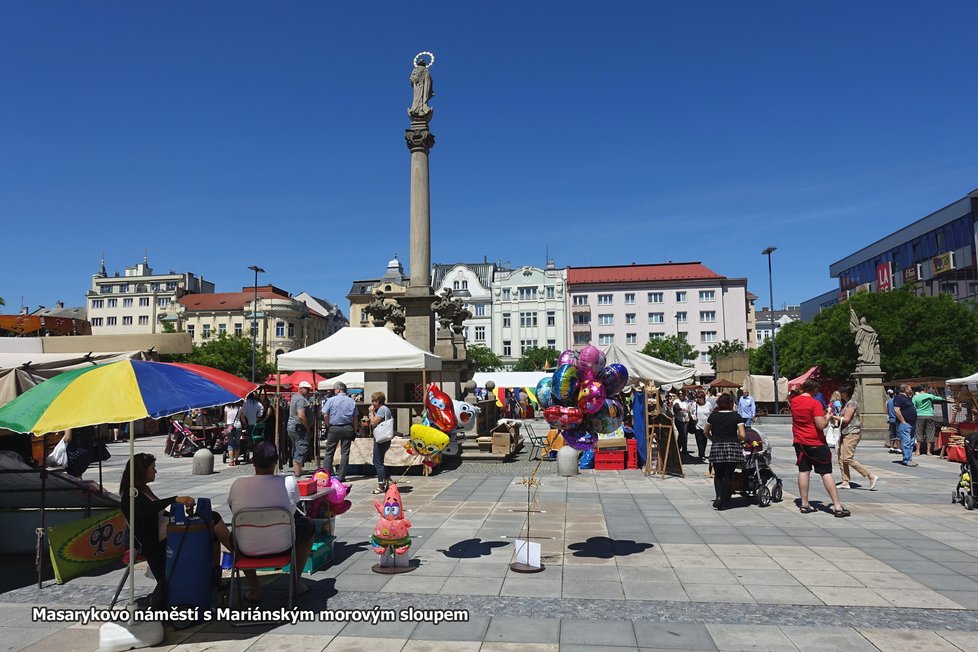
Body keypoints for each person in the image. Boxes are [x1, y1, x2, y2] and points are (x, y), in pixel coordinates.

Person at [119, 453, 232, 607]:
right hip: (161, 542)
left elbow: (158, 512)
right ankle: (234, 553)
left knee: (212, 526)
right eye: (152, 468)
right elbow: (148, 509)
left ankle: (214, 573)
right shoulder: (132, 495)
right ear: (141, 471)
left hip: (170, 533)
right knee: (213, 520)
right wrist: (175, 499)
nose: (155, 471)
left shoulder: (142, 490)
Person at [227, 442, 313, 603]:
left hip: (247, 550)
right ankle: (295, 583)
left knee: (234, 535)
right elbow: (294, 510)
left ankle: (254, 588)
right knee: (308, 525)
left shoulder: (238, 485)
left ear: (253, 462)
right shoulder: (288, 482)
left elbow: (233, 510)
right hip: (284, 547)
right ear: (276, 460)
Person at [791, 379, 850, 516]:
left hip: (799, 441)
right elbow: (821, 425)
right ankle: (837, 506)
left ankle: (804, 504)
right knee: (826, 472)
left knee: (804, 471)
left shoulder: (794, 401)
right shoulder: (814, 403)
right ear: (815, 390)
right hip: (815, 442)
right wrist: (828, 417)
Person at [703, 393, 746, 510]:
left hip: (717, 446)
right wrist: (737, 441)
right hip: (732, 447)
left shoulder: (713, 416)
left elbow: (705, 432)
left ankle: (718, 496)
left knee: (718, 475)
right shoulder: (736, 416)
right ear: (731, 404)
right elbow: (742, 435)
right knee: (728, 475)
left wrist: (713, 439)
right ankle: (725, 501)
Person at [835, 386, 878, 490]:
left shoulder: (852, 403)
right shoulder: (845, 404)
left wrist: (832, 416)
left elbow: (846, 419)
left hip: (852, 433)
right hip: (845, 433)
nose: (840, 394)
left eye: (841, 392)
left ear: (846, 393)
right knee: (841, 458)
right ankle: (845, 481)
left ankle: (870, 475)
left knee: (847, 458)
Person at [322, 381, 358, 482]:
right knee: (345, 452)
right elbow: (355, 418)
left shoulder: (331, 400)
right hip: (348, 427)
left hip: (334, 427)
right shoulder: (352, 401)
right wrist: (354, 430)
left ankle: (326, 476)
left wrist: (328, 425)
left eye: (334, 390)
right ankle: (341, 476)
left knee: (329, 452)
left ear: (338, 389)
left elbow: (325, 415)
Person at [368, 392, 395, 495]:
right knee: (379, 461)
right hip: (384, 439)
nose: (372, 403)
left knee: (377, 462)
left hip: (381, 439)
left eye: (373, 401)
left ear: (377, 401)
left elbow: (373, 422)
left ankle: (381, 485)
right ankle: (389, 480)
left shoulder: (382, 409)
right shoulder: (385, 409)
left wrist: (371, 413)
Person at [287, 381, 314, 477]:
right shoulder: (301, 400)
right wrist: (307, 428)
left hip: (294, 426)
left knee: (297, 447)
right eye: (307, 389)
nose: (309, 391)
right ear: (301, 389)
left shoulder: (295, 397)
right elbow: (301, 415)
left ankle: (297, 470)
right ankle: (297, 472)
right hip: (299, 427)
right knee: (301, 448)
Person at [912, 385, 945, 456]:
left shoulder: (915, 397)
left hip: (919, 415)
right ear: (925, 389)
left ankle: (917, 451)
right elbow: (939, 398)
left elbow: (913, 406)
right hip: (929, 415)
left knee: (918, 432)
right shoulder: (929, 396)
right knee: (930, 433)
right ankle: (928, 451)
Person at [893, 383, 918, 467]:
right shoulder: (899, 397)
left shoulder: (907, 398)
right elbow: (896, 410)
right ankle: (906, 459)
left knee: (911, 442)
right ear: (905, 389)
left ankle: (909, 458)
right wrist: (903, 421)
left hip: (911, 423)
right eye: (910, 388)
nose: (911, 389)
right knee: (906, 441)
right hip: (905, 423)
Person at [691, 391, 713, 462]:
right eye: (697, 397)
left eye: (700, 397)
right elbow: (691, 412)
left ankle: (702, 452)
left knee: (705, 441)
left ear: (703, 397)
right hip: (697, 425)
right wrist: (693, 416)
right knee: (699, 441)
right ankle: (702, 455)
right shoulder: (695, 404)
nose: (698, 399)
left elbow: (711, 413)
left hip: (706, 425)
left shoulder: (708, 404)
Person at [224, 400, 244, 466]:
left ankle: (232, 461)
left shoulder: (226, 407)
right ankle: (237, 459)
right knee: (237, 443)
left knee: (230, 443)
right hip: (238, 426)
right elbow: (242, 418)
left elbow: (225, 418)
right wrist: (245, 423)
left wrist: (226, 425)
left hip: (229, 427)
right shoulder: (240, 408)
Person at [886, 389, 899, 454]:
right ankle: (898, 448)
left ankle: (891, 447)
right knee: (898, 434)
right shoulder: (900, 401)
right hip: (898, 419)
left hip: (891, 419)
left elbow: (887, 411)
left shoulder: (889, 401)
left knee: (892, 433)